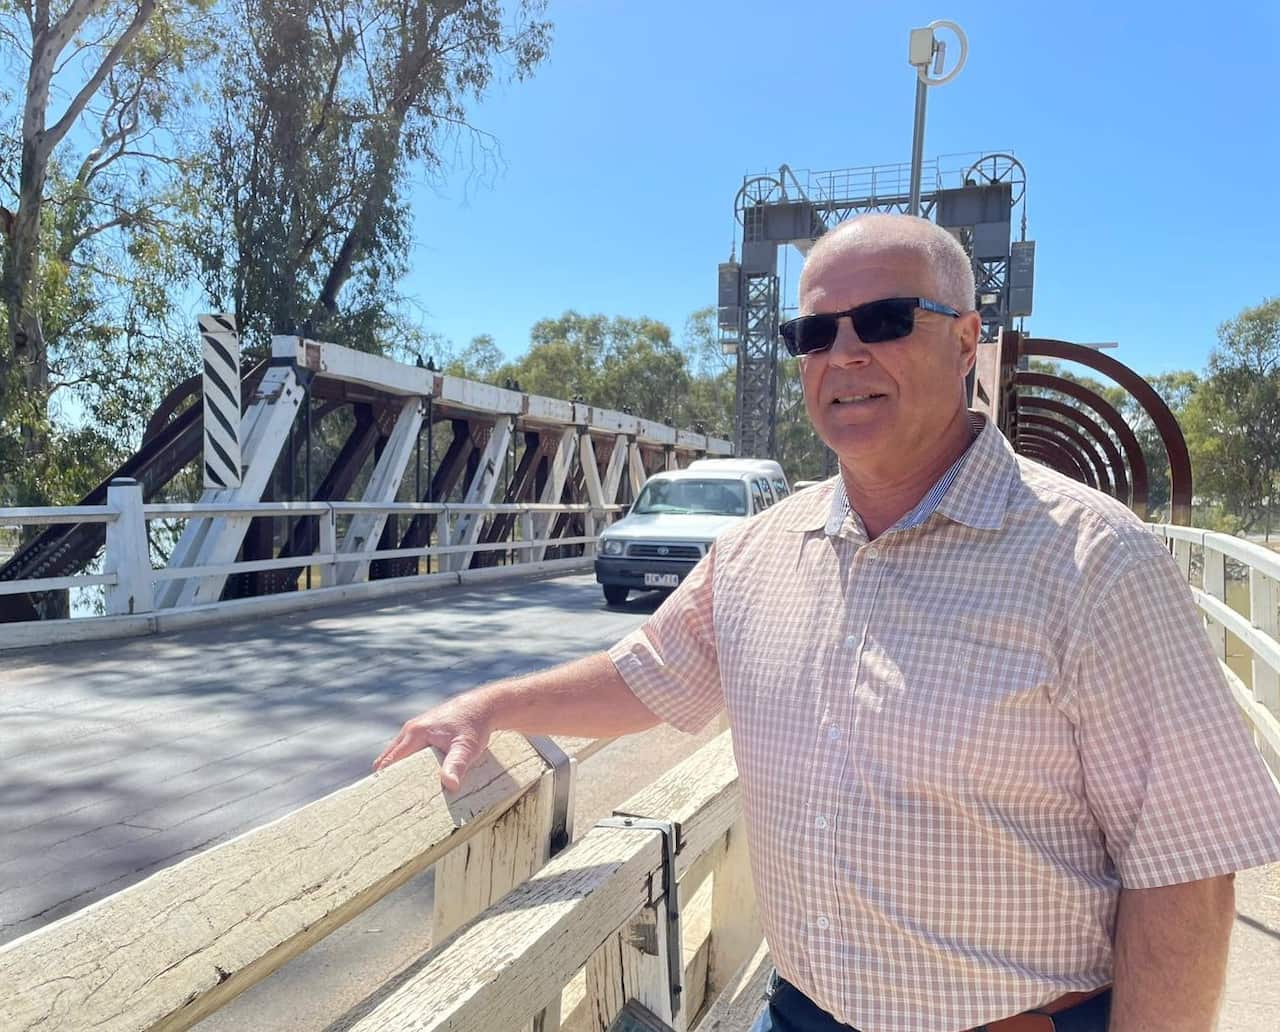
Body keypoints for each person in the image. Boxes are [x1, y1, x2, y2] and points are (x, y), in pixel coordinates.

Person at [374, 214, 1280, 1032]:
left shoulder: (1095, 563)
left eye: (883, 320)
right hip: (802, 1011)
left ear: (967, 341)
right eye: (813, 333)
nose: (842, 354)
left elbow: (1186, 872)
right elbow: (648, 671)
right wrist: (491, 705)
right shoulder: (760, 551)